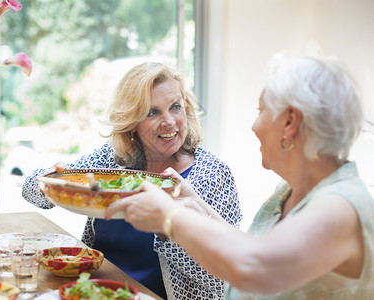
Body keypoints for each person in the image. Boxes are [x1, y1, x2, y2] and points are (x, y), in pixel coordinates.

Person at [105, 55, 374, 299]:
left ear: (290, 123)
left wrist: (168, 217)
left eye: (261, 110)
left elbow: (255, 268)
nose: (254, 126)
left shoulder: (340, 205)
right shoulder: (289, 192)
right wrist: (199, 207)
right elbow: (254, 248)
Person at [22, 62, 242, 299]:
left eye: (175, 107)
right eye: (152, 112)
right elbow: (30, 191)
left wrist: (169, 230)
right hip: (94, 292)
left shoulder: (213, 175)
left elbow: (222, 281)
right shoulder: (112, 159)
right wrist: (49, 182)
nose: (169, 121)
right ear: (132, 123)